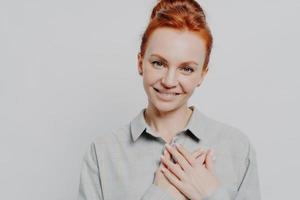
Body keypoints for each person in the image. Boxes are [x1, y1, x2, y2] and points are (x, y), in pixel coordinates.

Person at [77, 0, 261, 199]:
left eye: (186, 69)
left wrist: (212, 195)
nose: (169, 81)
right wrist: (159, 194)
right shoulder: (102, 154)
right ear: (140, 63)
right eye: (159, 63)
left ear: (202, 75)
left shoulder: (237, 148)